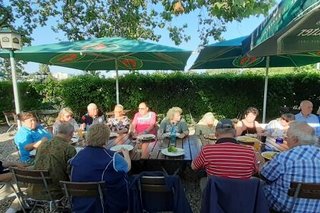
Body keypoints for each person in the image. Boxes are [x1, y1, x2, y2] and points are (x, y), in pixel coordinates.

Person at [70, 124, 131, 213]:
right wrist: (126, 155)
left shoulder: (77, 155)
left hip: (81, 205)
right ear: (106, 139)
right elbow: (127, 168)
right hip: (106, 205)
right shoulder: (112, 157)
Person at [261, 122, 320, 213]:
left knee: (259, 184)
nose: (285, 138)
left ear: (295, 139)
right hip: (315, 209)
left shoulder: (286, 157)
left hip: (286, 208)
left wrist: (260, 161)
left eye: (287, 136)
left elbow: (264, 176)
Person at [192, 119, 259, 191]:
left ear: (216, 134)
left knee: (203, 180)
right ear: (235, 133)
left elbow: (193, 167)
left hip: (215, 195)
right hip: (241, 195)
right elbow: (255, 171)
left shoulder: (207, 150)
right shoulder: (250, 152)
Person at [28, 122, 76, 200]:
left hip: (34, 189)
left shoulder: (42, 144)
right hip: (55, 192)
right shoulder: (69, 149)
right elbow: (73, 173)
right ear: (71, 133)